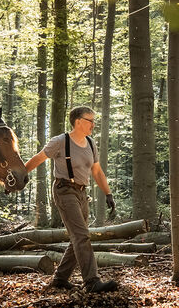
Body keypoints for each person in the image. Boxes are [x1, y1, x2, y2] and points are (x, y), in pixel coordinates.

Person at [23, 106, 119, 293]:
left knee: (77, 237)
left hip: (82, 193)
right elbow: (39, 158)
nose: (94, 124)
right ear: (78, 121)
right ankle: (92, 281)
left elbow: (97, 171)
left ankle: (60, 279)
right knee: (82, 236)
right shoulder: (60, 141)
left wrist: (108, 193)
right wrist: (19, 176)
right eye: (90, 120)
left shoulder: (91, 143)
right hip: (64, 190)